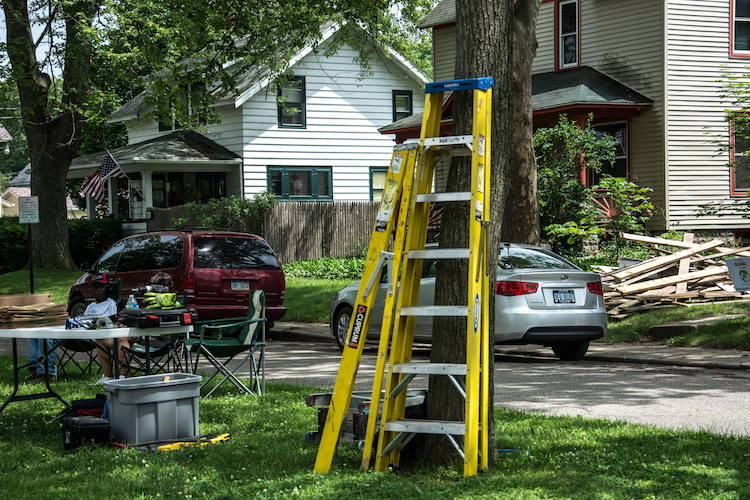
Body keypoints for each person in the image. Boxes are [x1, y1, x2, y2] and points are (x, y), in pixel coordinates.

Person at [90, 273, 125, 384]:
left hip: (105, 337)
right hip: (86, 337)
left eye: (101, 286)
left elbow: (112, 324)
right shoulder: (90, 306)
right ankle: (109, 376)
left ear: (107, 287)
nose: (98, 289)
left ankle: (117, 376)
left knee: (102, 340)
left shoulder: (111, 304)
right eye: (95, 287)